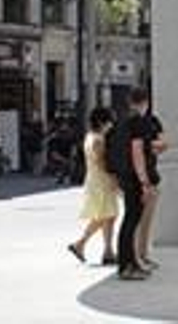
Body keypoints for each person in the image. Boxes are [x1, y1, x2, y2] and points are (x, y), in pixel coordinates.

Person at [110, 87, 156, 280]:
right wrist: (145, 181)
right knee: (131, 221)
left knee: (131, 220)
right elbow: (137, 152)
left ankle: (132, 262)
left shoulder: (121, 122)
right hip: (134, 178)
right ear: (144, 101)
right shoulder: (138, 123)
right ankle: (126, 266)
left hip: (123, 176)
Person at [67, 107, 120, 267]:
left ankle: (108, 251)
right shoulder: (98, 139)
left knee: (109, 216)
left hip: (94, 180)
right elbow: (102, 163)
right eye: (109, 121)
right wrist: (114, 180)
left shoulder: (90, 137)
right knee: (103, 216)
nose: (111, 125)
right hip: (101, 181)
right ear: (102, 122)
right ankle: (80, 244)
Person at [134, 104, 168, 270]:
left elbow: (163, 144)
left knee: (140, 220)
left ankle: (140, 255)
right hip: (143, 178)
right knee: (139, 220)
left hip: (143, 177)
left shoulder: (151, 121)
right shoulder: (144, 123)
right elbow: (161, 145)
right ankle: (138, 256)